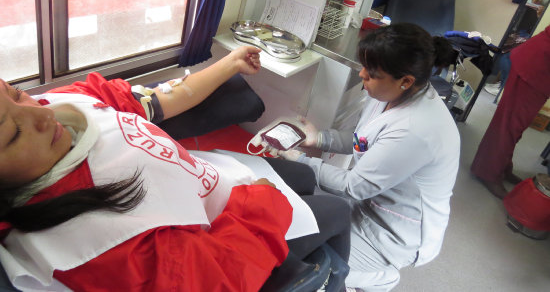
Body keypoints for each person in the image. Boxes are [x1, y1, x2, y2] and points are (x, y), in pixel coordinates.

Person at [0, 45, 351, 292]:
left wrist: (230, 63)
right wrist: (261, 204)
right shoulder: (89, 242)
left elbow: (160, 100)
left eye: (15, 94)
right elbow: (211, 278)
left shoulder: (64, 100)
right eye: (13, 134)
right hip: (228, 227)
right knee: (337, 209)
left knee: (304, 177)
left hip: (208, 180)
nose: (43, 114)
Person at [280, 23, 461, 291]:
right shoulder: (388, 93)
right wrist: (319, 138)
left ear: (406, 80)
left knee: (307, 264)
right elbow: (363, 142)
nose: (362, 74)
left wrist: (301, 161)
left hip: (394, 234)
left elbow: (354, 186)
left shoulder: (417, 129)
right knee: (297, 230)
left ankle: (381, 279)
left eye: (371, 73)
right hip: (368, 206)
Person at [471, 24, 550, 199]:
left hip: (541, 72)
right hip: (535, 66)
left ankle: (502, 168)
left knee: (516, 127)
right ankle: (487, 173)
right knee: (508, 125)